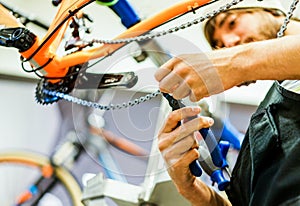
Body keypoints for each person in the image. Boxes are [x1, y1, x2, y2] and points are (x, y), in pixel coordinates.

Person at [154, 0, 300, 205]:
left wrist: (235, 62)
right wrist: (190, 188)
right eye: (220, 46)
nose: (229, 42)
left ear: (271, 10)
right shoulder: (270, 113)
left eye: (231, 23)